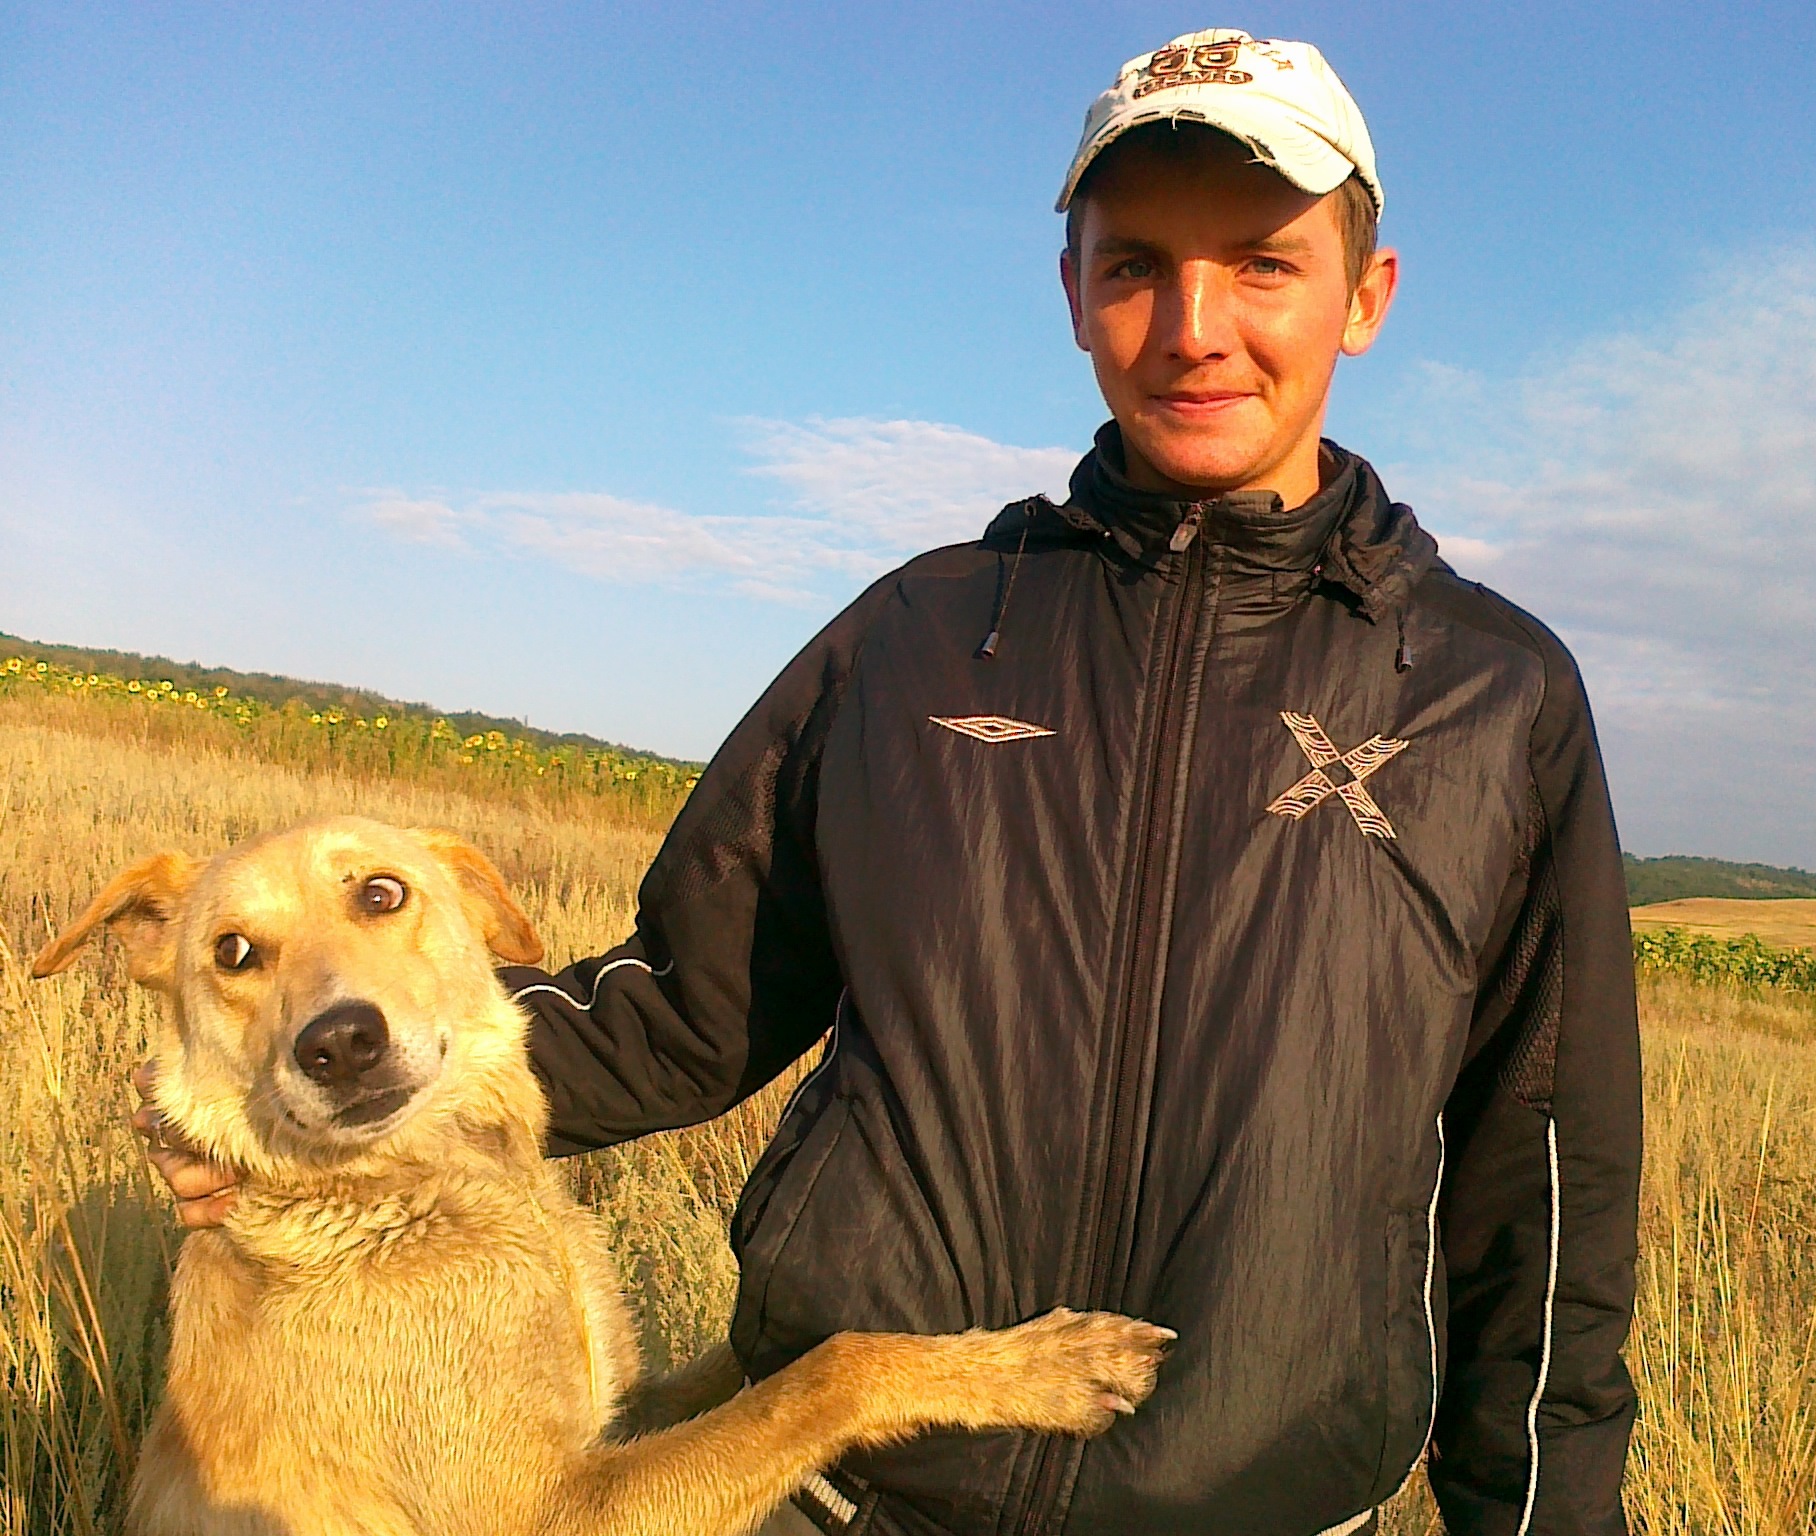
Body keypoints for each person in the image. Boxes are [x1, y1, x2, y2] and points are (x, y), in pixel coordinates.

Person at [140, 29, 1641, 1536]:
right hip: (849, 1495)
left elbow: (1545, 1192)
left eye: (1262, 265)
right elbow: (685, 1006)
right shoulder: (918, 638)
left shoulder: (1488, 698)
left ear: (1365, 297)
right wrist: (320, 1083)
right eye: (1136, 266)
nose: (1195, 329)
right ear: (1074, 292)